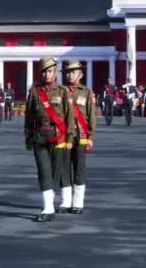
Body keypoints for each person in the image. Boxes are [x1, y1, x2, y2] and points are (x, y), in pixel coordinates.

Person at [24, 56, 75, 222]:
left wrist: (69, 138)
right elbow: (29, 116)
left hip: (58, 137)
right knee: (43, 172)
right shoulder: (34, 91)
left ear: (55, 73)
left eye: (50, 71)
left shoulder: (62, 91)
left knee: (54, 173)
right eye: (44, 71)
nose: (47, 74)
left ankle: (53, 204)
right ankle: (48, 208)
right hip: (39, 137)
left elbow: (69, 117)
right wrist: (28, 137)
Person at [62, 60, 96, 215]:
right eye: (68, 72)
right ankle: (65, 202)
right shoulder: (60, 91)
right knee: (63, 168)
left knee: (79, 168)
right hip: (63, 135)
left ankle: (78, 203)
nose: (70, 75)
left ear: (81, 74)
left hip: (81, 135)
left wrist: (91, 135)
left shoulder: (87, 92)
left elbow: (91, 115)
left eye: (74, 72)